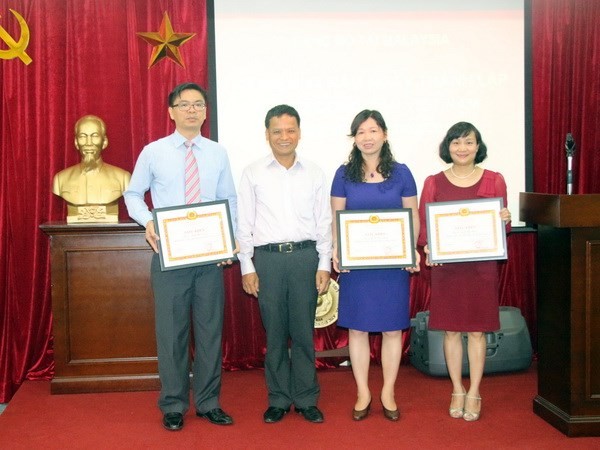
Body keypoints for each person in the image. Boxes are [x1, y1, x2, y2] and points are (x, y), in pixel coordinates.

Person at [123, 82, 237, 431]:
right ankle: (173, 404)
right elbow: (132, 194)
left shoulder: (217, 152)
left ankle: (207, 402)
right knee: (171, 333)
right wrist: (149, 222)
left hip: (208, 257)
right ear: (171, 111)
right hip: (170, 256)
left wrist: (227, 239)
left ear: (205, 111)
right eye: (184, 104)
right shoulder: (154, 151)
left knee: (209, 332)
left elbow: (228, 199)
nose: (191, 110)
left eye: (198, 104)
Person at [236, 104, 332, 424]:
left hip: (305, 258)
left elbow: (324, 222)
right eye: (277, 131)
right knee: (275, 333)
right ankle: (278, 398)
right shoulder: (252, 172)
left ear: (299, 133)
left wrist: (323, 263)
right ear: (267, 135)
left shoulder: (315, 172)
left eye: (290, 130)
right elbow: (244, 223)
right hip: (269, 261)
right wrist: (247, 266)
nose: (284, 137)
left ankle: (306, 398)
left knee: (304, 332)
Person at [418, 121, 512, 422]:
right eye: (456, 142)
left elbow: (502, 229)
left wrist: (505, 219)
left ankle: (475, 391)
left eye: (468, 142)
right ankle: (457, 388)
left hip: (481, 269)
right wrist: (429, 248)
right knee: (451, 330)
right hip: (448, 270)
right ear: (448, 147)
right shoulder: (433, 182)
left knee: (476, 331)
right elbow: (425, 230)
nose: (462, 148)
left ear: (477, 146)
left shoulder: (494, 180)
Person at [330, 109, 420, 422]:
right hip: (357, 266)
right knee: (357, 329)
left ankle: (388, 391)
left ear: (384, 134)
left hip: (392, 264)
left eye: (373, 131)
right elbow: (335, 219)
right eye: (361, 132)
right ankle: (363, 392)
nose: (367, 138)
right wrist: (337, 251)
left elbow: (413, 216)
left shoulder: (402, 172)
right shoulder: (343, 174)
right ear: (354, 138)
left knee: (393, 330)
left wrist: (411, 251)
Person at [53, 115, 131, 223]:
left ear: (104, 142)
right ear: (76, 142)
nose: (88, 143)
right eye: (83, 136)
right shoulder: (60, 179)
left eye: (94, 136)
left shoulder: (123, 178)